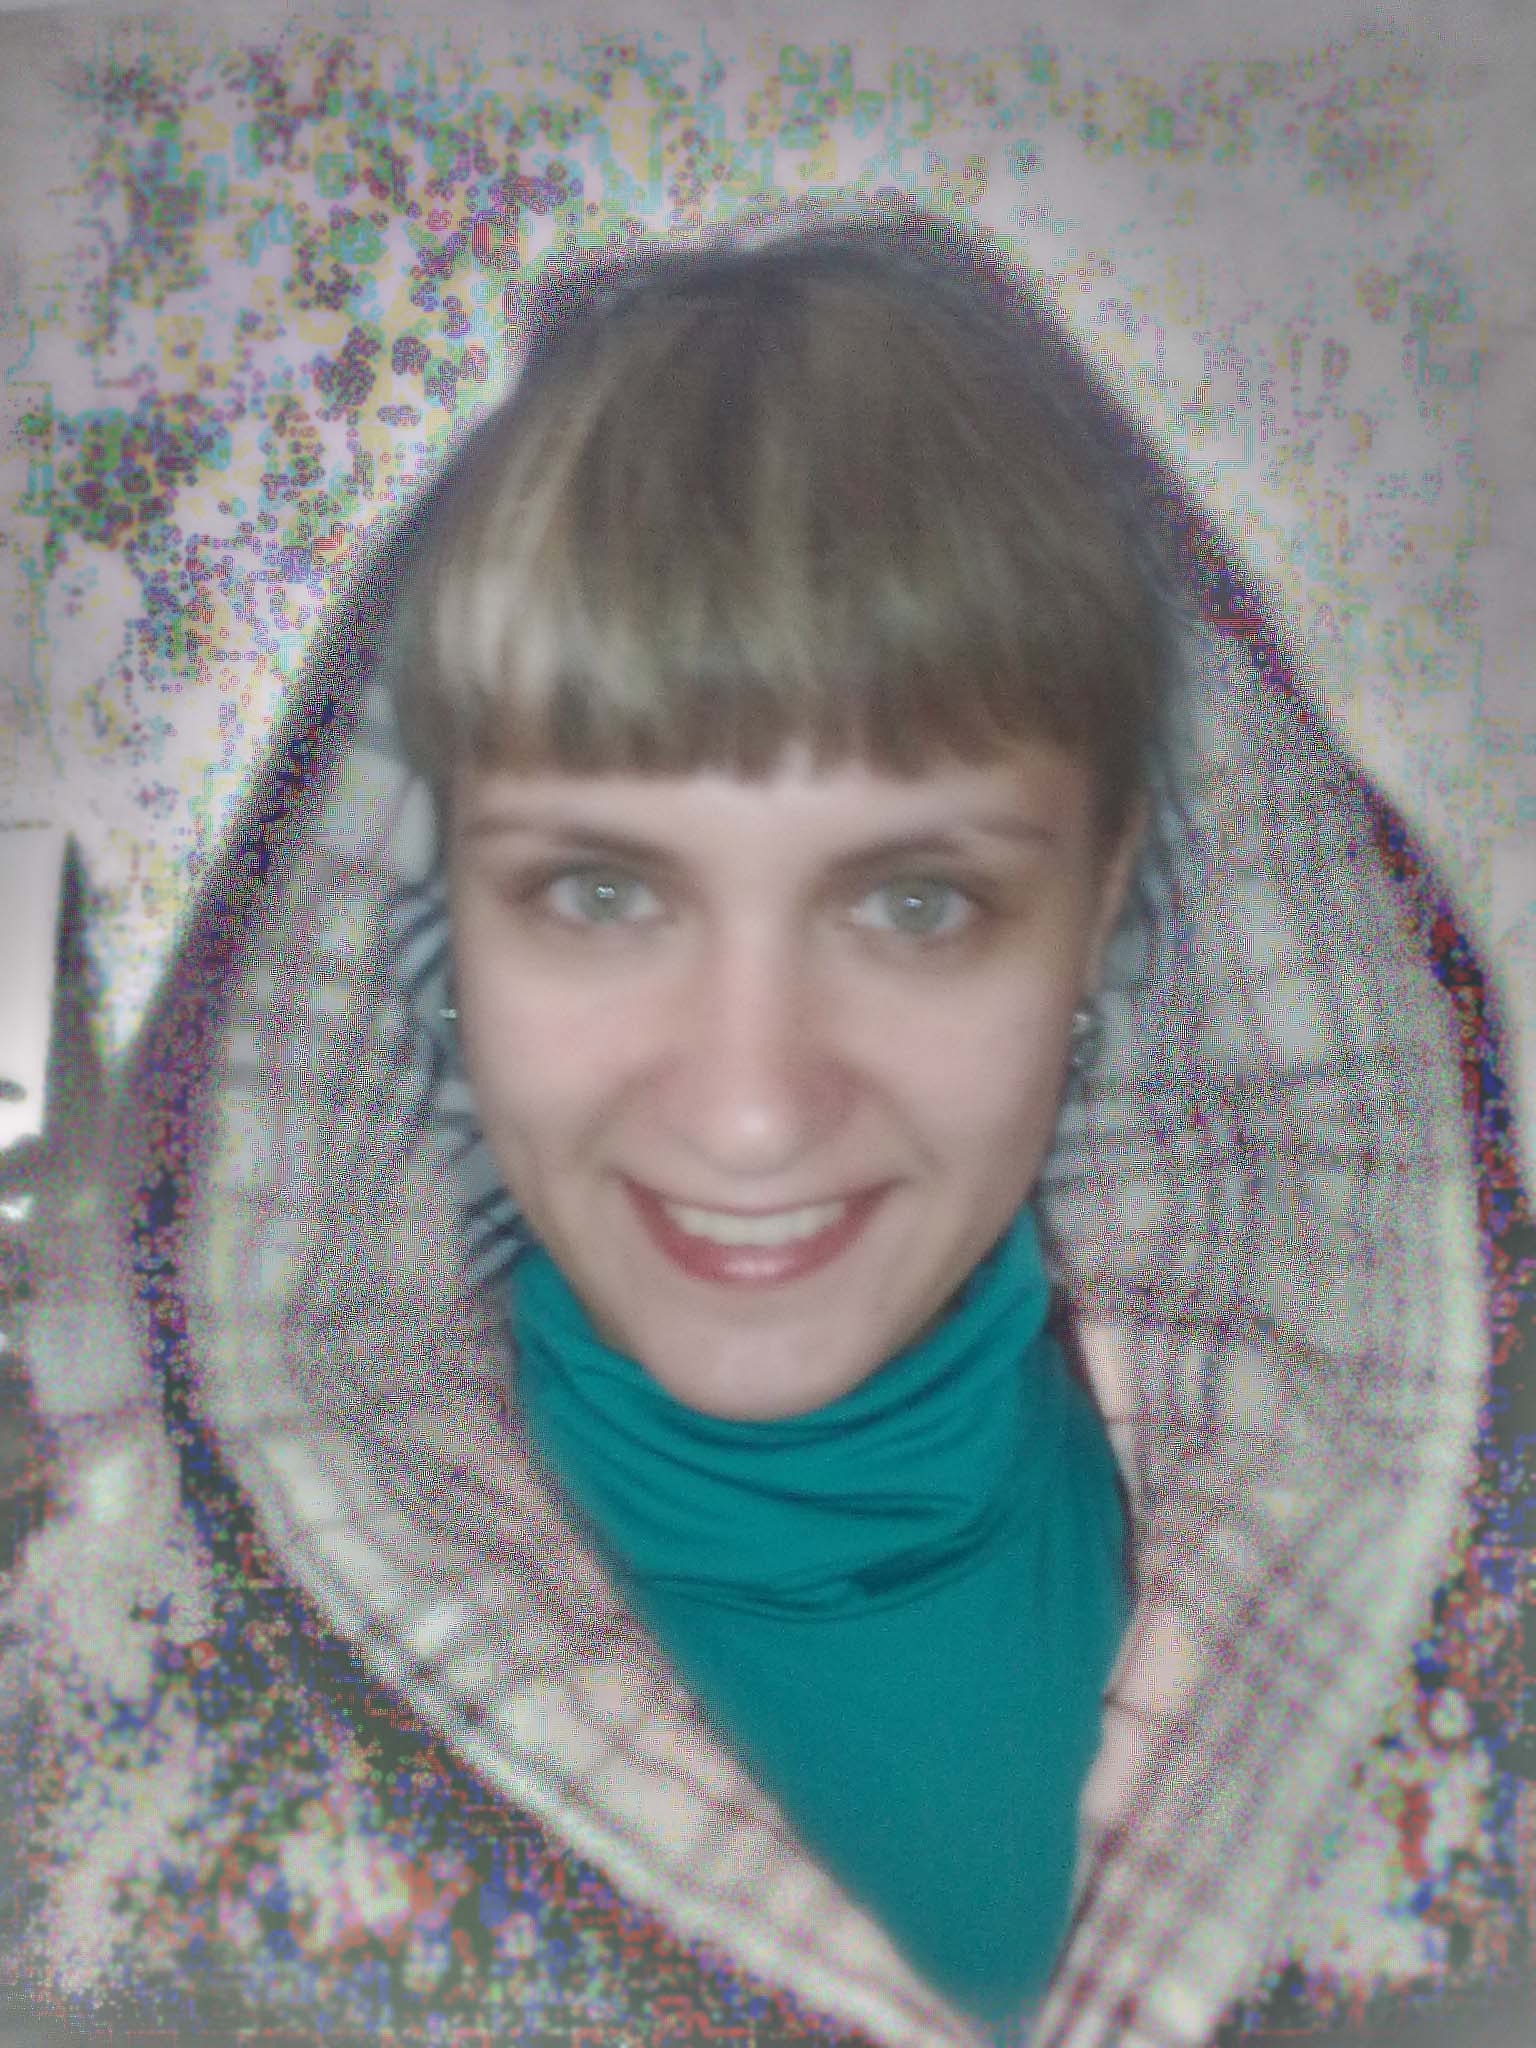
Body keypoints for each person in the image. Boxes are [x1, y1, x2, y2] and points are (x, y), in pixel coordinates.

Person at [1, 198, 1488, 2047]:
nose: (756, 1108)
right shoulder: (106, 1796)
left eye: (918, 903)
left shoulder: (1465, 1701)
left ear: (1106, 898)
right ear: (434, 912)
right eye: (601, 893)